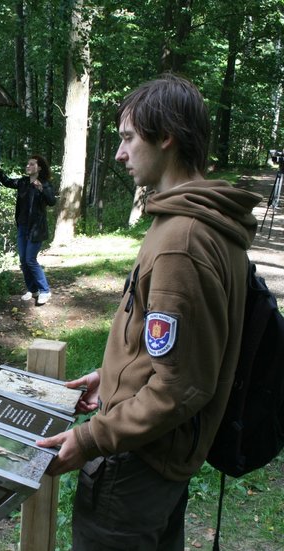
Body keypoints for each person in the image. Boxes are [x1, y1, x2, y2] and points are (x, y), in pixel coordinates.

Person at [37, 73, 262, 550]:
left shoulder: (183, 239)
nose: (119, 154)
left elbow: (182, 384)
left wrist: (92, 439)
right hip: (158, 456)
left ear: (166, 137)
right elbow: (178, 346)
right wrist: (112, 375)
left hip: (134, 466)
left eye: (127, 138)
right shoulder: (202, 222)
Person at [0, 155, 56, 305]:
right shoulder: (22, 182)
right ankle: (32, 289)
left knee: (30, 259)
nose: (28, 166)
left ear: (39, 167)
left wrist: (41, 189)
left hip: (36, 228)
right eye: (27, 164)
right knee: (23, 260)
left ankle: (45, 291)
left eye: (32, 164)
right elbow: (8, 182)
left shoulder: (45, 183)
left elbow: (52, 201)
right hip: (22, 226)